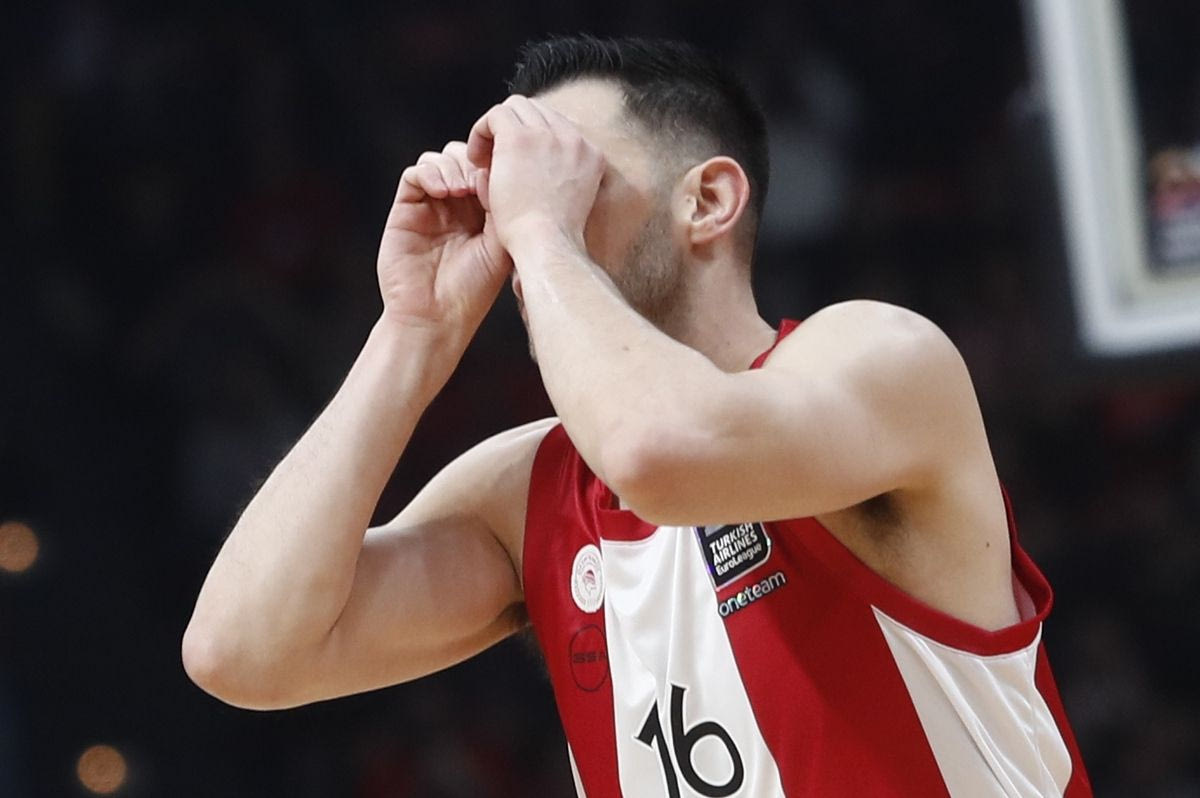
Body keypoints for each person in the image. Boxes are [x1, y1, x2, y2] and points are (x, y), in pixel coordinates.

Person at [182, 35, 1093, 796]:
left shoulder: (882, 359)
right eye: (517, 190)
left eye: (572, 174)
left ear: (708, 201)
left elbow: (661, 453)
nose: (523, 212)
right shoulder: (526, 490)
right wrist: (411, 335)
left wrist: (544, 233)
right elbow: (242, 652)